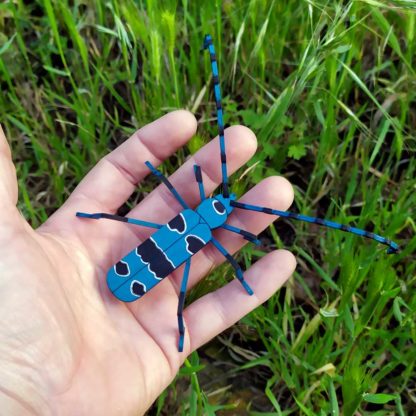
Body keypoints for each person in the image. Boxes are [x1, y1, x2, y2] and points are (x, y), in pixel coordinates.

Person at [0, 110, 296, 415]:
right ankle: (177, 317)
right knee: (179, 284)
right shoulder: (208, 233)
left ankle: (96, 218)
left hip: (134, 272)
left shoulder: (189, 218)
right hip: (132, 274)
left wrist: (158, 176)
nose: (219, 203)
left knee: (136, 228)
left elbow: (172, 192)